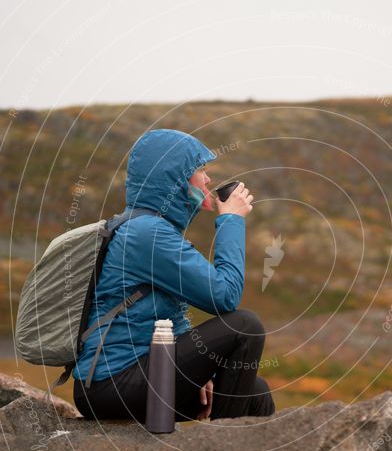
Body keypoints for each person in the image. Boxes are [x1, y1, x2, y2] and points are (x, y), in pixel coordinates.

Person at [72, 128, 275, 423]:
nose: (207, 179)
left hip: (139, 373)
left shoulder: (149, 227)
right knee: (245, 326)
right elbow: (224, 296)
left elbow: (161, 313)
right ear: (176, 178)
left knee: (256, 392)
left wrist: (200, 369)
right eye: (200, 169)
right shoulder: (146, 234)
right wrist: (230, 219)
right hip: (111, 385)